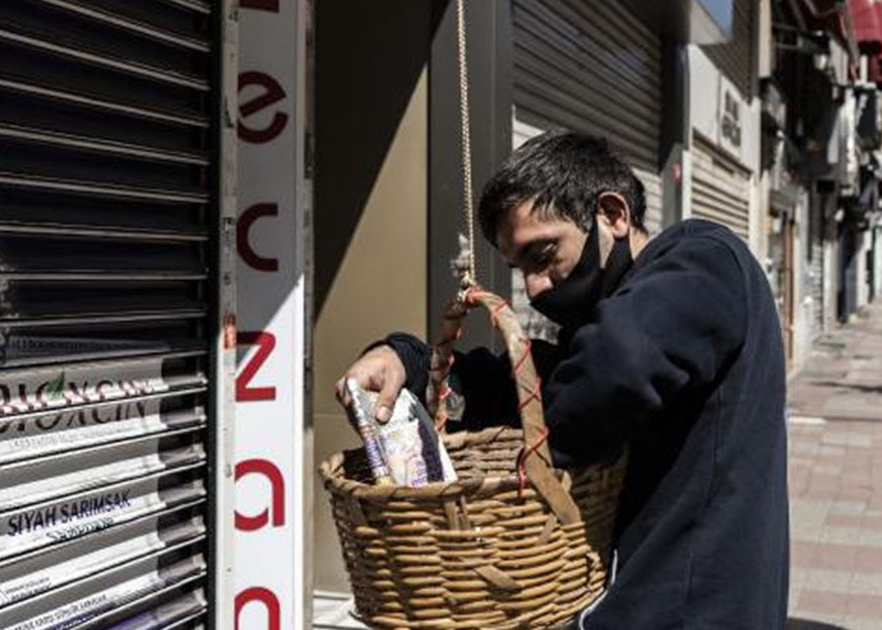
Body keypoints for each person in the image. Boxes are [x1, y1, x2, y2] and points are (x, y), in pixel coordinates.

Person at [336, 131, 789, 630]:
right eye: (518, 268)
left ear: (613, 215)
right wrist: (412, 361)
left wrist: (517, 461)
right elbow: (532, 381)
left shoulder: (702, 259)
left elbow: (606, 377)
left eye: (544, 254)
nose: (533, 287)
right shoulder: (613, 315)